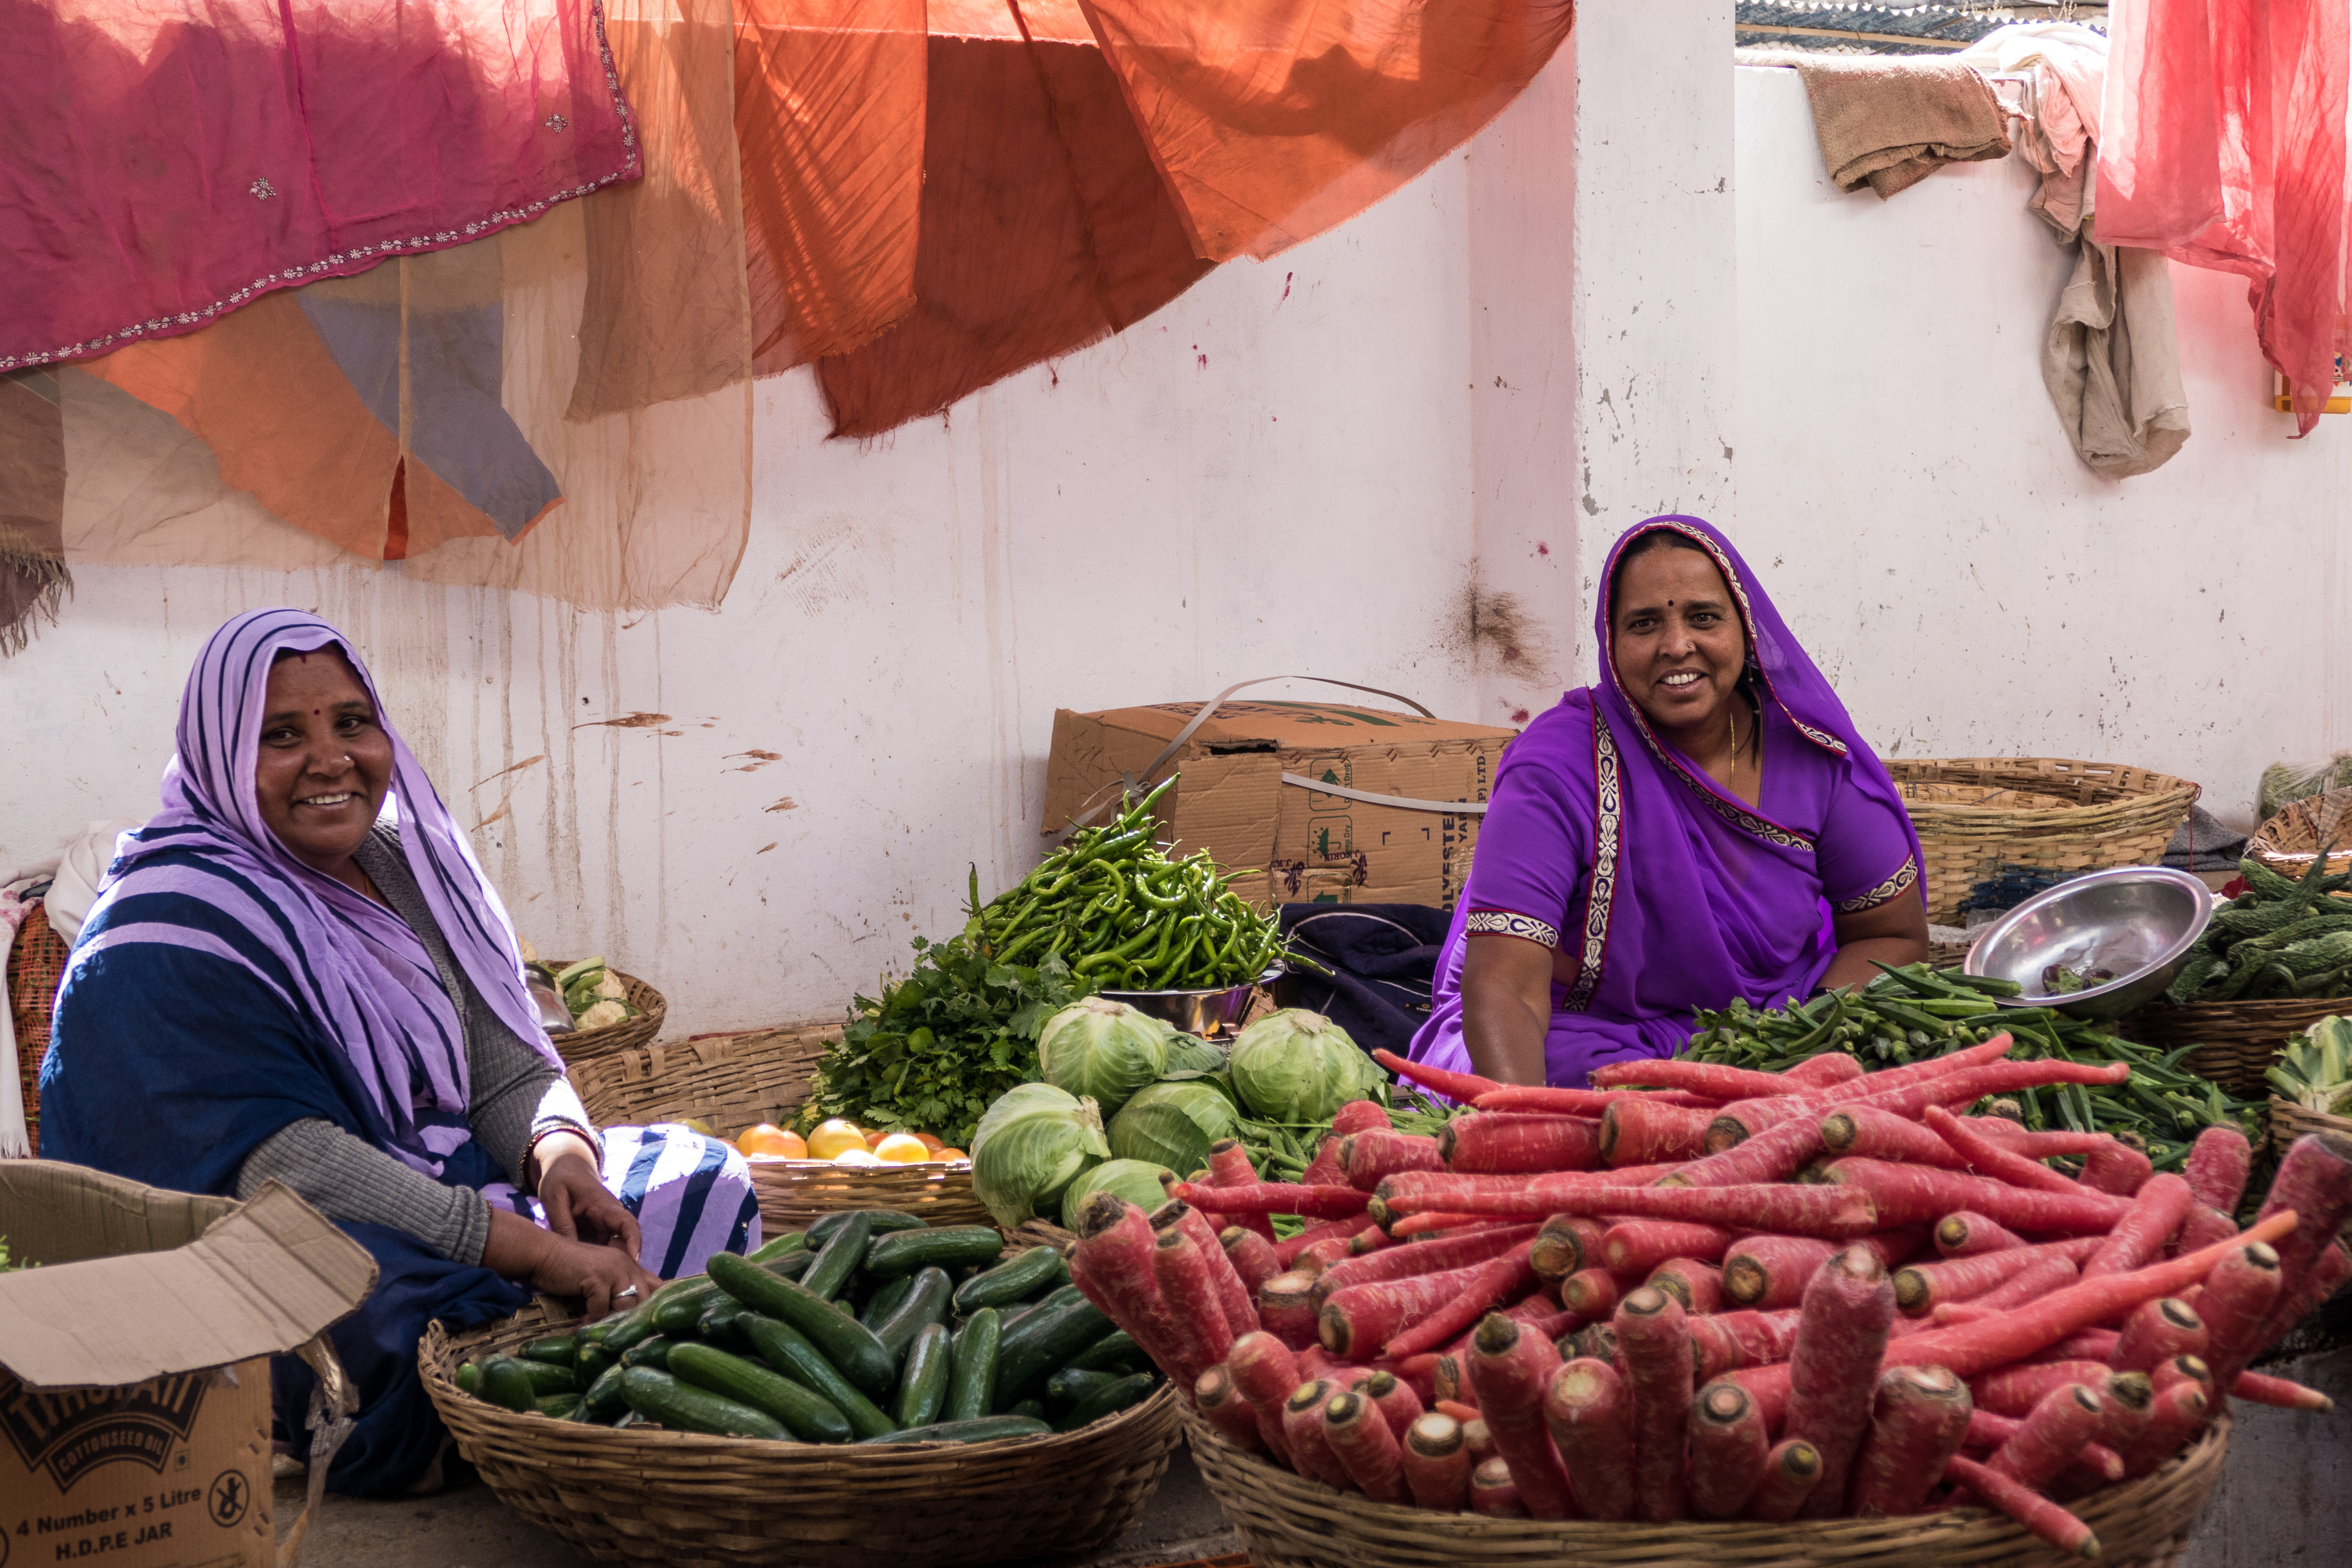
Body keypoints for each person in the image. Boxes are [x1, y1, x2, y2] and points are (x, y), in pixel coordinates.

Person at [39, 608, 759, 1495]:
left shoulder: (409, 869)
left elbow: (504, 1059)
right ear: (219, 750)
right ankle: (544, 1384)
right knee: (383, 1307)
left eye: (352, 722)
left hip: (438, 1187)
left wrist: (561, 1161)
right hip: (257, 1237)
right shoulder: (167, 920)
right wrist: (530, 1252)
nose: (332, 759)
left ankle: (544, 1387)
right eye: (280, 735)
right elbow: (288, 1164)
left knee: (705, 1174)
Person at [1408, 515, 1928, 1088]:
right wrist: (1529, 1128)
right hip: (1592, 1034)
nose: (1676, 646)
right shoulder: (1557, 767)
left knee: (1910, 1051)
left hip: (1778, 1029)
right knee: (1594, 1091)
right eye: (1644, 624)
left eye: (1703, 618)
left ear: (1745, 628)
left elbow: (1892, 936)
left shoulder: (1814, 761)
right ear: (1612, 640)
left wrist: (1804, 1044)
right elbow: (1505, 985)